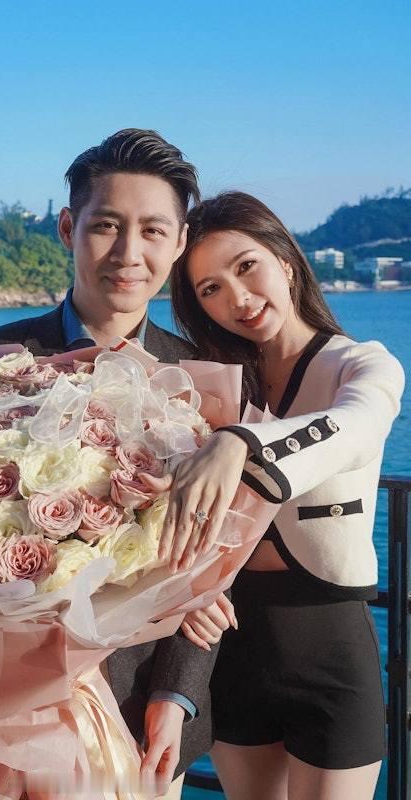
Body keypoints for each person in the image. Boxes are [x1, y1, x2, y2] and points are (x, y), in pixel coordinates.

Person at [0, 128, 227, 798]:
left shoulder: (206, 377)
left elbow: (217, 563)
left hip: (142, 715)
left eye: (153, 231)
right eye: (106, 226)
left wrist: (177, 696)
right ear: (67, 228)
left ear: (179, 242)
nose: (129, 253)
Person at [156, 191, 404, 800]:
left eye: (247, 267)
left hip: (330, 646)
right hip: (229, 641)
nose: (238, 298)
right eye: (210, 289)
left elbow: (357, 425)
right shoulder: (205, 383)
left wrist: (239, 442)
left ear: (286, 263)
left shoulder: (362, 365)